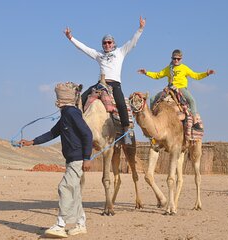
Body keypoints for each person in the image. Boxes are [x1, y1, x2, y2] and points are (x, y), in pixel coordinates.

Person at [18, 82, 93, 238]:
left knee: (65, 187)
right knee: (75, 192)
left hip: (77, 159)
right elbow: (53, 133)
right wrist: (32, 142)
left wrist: (87, 158)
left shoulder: (72, 113)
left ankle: (60, 224)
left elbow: (87, 134)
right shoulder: (66, 114)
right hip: (72, 159)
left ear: (61, 99)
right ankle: (81, 224)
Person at [64, 16, 146, 145]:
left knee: (121, 104)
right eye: (105, 43)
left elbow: (132, 42)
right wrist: (70, 38)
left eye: (109, 42)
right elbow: (83, 48)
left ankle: (126, 133)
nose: (107, 45)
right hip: (101, 83)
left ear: (113, 43)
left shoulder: (120, 52)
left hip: (115, 84)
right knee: (80, 99)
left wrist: (140, 29)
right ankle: (76, 126)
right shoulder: (99, 54)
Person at [137, 49, 215, 131]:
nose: (176, 60)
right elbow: (157, 75)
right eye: (174, 58)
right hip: (169, 89)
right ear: (172, 58)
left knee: (192, 100)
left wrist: (207, 74)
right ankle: (153, 120)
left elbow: (196, 76)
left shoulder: (184, 68)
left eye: (178, 59)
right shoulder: (169, 69)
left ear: (181, 59)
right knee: (153, 99)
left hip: (181, 89)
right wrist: (146, 73)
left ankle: (195, 122)